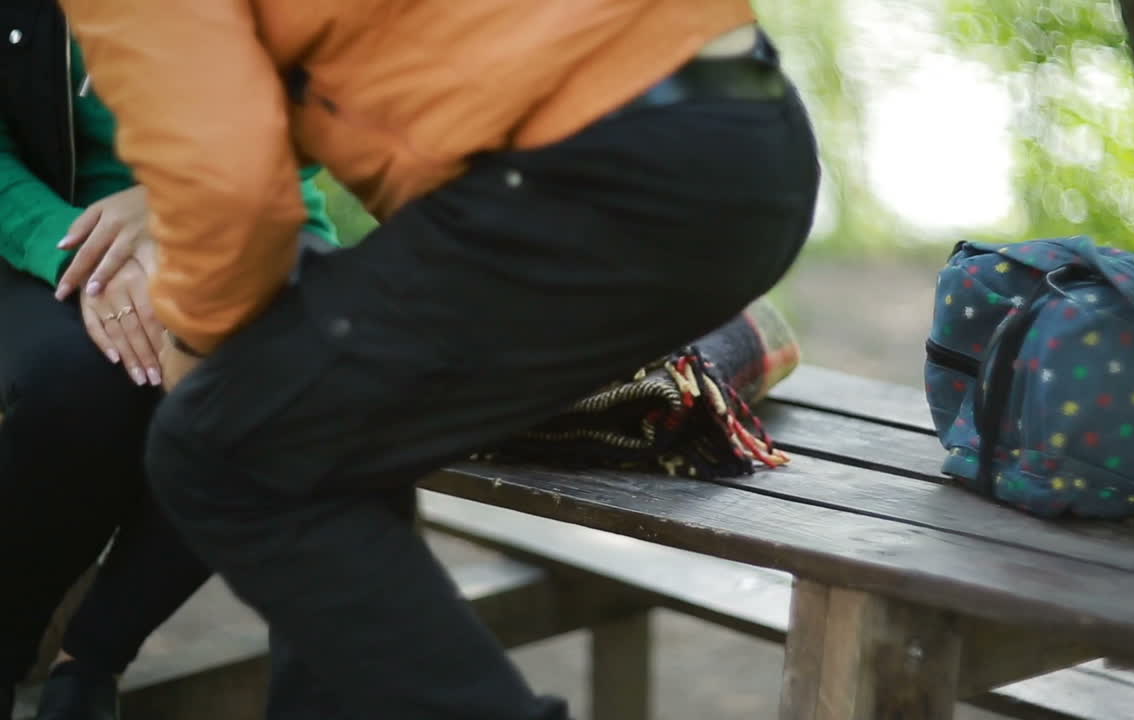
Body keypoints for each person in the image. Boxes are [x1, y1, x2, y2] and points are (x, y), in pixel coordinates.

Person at [60, 2, 820, 718]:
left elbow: (230, 190)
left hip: (600, 171)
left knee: (219, 449)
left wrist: (196, 347)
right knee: (318, 425)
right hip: (750, 139)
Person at [0, 6, 337, 717]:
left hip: (245, 206)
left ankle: (89, 661)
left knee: (305, 375)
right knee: (76, 382)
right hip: (44, 225)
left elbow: (348, 83)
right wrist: (86, 253)